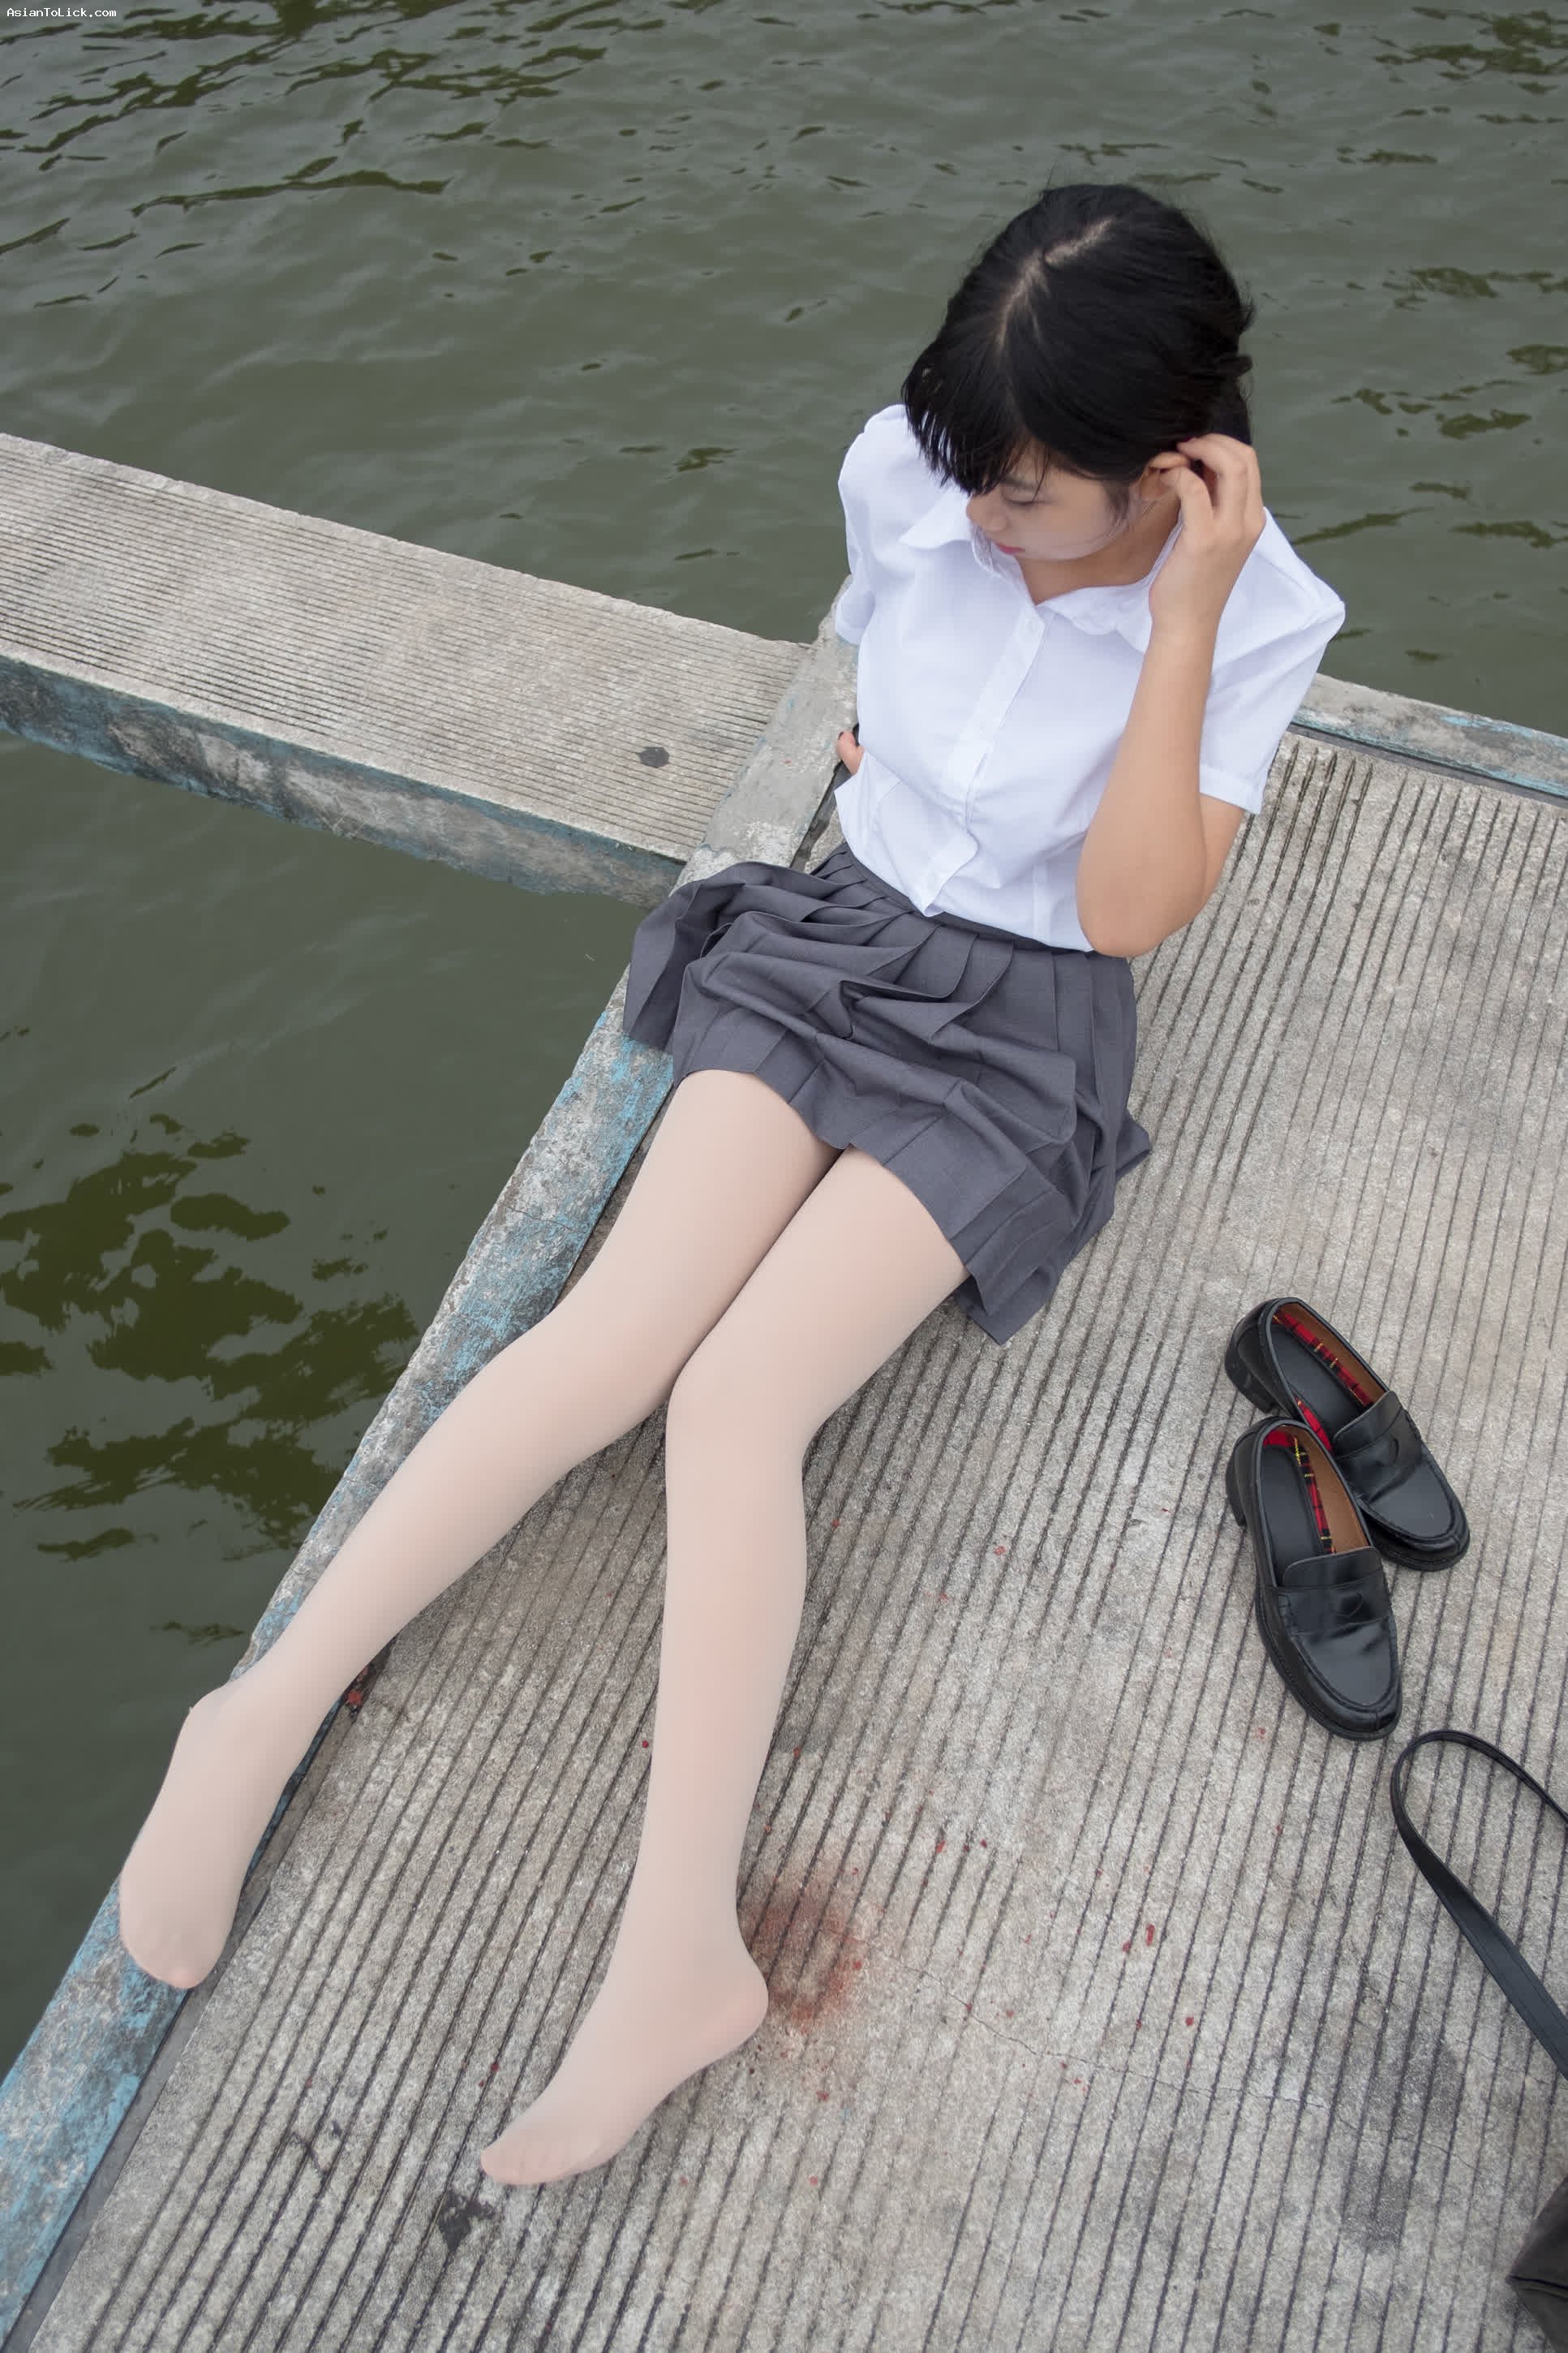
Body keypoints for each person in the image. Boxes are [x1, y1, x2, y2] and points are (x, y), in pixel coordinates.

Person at [114, 178, 1347, 2188]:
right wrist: (917, 694)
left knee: (735, 1401)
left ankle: (678, 1950)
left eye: (1029, 493)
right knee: (609, 1333)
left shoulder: (1259, 611)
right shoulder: (913, 479)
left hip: (1022, 1027)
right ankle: (256, 1715)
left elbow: (1130, 907)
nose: (979, 516)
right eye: (970, 469)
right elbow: (883, 667)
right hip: (844, 934)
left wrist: (1182, 618)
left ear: (1165, 469)